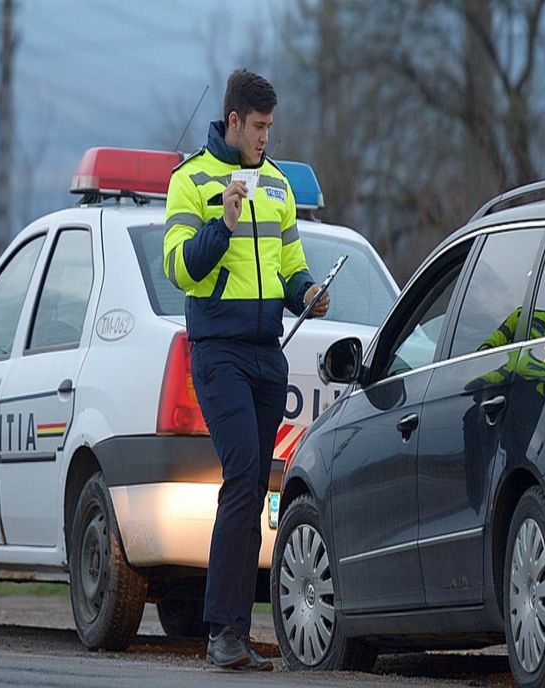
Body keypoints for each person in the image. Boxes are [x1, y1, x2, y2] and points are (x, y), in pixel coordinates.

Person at [162, 69, 329, 671]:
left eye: (270, 128)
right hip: (218, 352)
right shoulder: (190, 181)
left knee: (258, 488)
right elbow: (182, 269)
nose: (265, 138)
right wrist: (223, 222)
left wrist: (307, 292)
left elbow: (291, 265)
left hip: (267, 352)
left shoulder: (279, 184)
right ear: (233, 121)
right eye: (258, 127)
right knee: (240, 478)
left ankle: (234, 630)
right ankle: (222, 634)